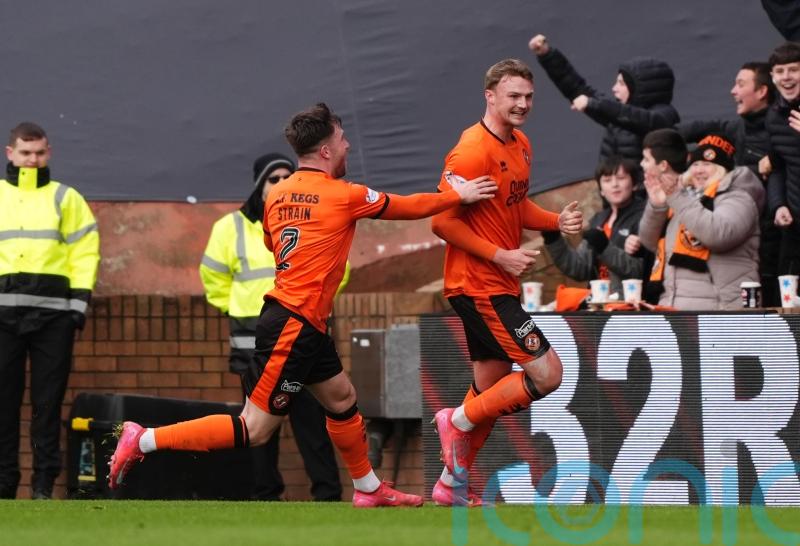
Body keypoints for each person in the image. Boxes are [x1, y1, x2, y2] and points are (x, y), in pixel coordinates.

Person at [109, 102, 498, 508]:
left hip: (301, 322)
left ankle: (368, 489)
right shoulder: (343, 194)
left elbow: (273, 245)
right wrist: (458, 195)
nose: (347, 146)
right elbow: (407, 207)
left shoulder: (276, 196)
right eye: (343, 139)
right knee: (254, 428)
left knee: (342, 398)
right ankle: (145, 439)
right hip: (293, 324)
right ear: (327, 150)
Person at [429, 59, 583, 506]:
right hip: (477, 284)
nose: (522, 104)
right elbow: (441, 222)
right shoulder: (470, 150)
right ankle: (455, 420)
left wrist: (556, 220)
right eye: (513, 96)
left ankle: (450, 484)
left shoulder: (520, 143)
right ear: (490, 96)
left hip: (497, 284)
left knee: (491, 390)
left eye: (529, 97)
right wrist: (501, 255)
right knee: (547, 373)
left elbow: (515, 208)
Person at [199, 152, 342, 501]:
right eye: (273, 179)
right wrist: (238, 308)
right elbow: (212, 278)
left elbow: (339, 267)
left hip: (303, 333)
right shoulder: (229, 227)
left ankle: (327, 494)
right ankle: (265, 494)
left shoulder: (311, 218)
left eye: (286, 178)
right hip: (254, 340)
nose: (280, 184)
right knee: (259, 426)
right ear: (259, 185)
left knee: (313, 423)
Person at [0, 122, 100, 499]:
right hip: (2, 317)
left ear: (49, 153)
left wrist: (77, 305)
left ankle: (43, 485)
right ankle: (4, 486)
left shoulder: (66, 198)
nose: (32, 160)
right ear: (10, 154)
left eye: (39, 152)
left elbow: (85, 251)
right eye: (25, 153)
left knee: (47, 406)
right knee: (3, 406)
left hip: (53, 317)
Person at [677, 62, 778, 305]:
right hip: (744, 239)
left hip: (776, 230)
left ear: (762, 91)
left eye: (740, 84)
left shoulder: (781, 127)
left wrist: (774, 161)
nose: (733, 91)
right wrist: (667, 141)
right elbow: (699, 129)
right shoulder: (737, 127)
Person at [638, 131, 764, 310]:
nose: (698, 170)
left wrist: (676, 197)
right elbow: (650, 243)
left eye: (706, 164)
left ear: (722, 169)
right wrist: (657, 206)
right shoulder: (685, 197)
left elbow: (718, 235)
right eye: (695, 163)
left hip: (721, 312)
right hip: (674, 307)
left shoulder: (739, 196)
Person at [528, 34, 679, 163]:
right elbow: (577, 88)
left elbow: (645, 120)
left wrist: (595, 104)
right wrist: (547, 55)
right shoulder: (617, 114)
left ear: (639, 88)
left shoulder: (664, 115)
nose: (614, 88)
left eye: (621, 83)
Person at [543, 156, 650, 300]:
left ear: (635, 184)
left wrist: (605, 248)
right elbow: (579, 268)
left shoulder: (645, 217)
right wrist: (553, 239)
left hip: (629, 305)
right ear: (601, 190)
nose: (614, 185)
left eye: (621, 178)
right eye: (607, 180)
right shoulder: (598, 220)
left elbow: (641, 271)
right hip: (599, 302)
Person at [765, 42, 800, 279]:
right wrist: (778, 204)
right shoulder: (774, 116)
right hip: (795, 225)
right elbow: (777, 167)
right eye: (780, 71)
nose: (786, 77)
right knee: (787, 300)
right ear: (772, 77)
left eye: (793, 69)